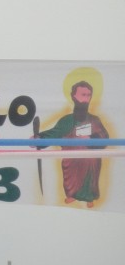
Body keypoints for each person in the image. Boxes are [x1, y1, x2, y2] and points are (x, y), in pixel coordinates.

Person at [37, 80, 108, 208]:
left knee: (90, 181)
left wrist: (91, 139)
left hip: (90, 161)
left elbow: (104, 136)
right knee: (71, 182)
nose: (85, 99)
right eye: (82, 95)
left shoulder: (94, 120)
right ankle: (71, 195)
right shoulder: (66, 121)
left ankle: (89, 198)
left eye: (88, 95)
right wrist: (39, 138)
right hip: (72, 160)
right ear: (74, 96)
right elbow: (54, 134)